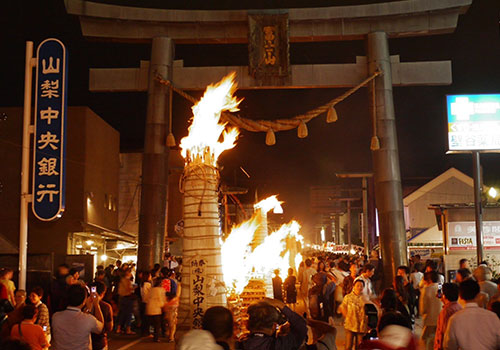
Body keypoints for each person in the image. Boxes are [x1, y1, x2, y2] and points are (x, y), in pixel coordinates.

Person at [443, 279, 500, 350]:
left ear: (460, 296)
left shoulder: (455, 319)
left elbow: (449, 346)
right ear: (478, 295)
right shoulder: (492, 316)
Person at [239, 297, 307, 350]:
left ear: (247, 324)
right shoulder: (281, 346)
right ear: (274, 326)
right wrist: (280, 305)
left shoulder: (236, 346)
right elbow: (301, 327)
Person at [52, 284, 104, 350]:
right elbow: (100, 328)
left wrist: (87, 309)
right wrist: (96, 305)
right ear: (84, 301)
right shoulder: (89, 320)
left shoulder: (56, 317)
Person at [340, 279, 369, 350]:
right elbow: (343, 307)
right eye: (358, 286)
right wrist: (347, 317)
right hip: (350, 325)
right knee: (348, 346)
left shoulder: (365, 298)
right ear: (353, 286)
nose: (359, 287)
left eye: (361, 286)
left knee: (359, 346)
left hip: (361, 326)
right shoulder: (348, 297)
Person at [434, 283, 461, 350]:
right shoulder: (459, 307)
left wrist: (438, 347)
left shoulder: (446, 311)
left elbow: (443, 333)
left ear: (444, 296)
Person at [420, 271, 442, 350]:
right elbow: (440, 300)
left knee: (425, 338)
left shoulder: (426, 289)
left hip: (429, 318)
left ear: (429, 279)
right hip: (440, 317)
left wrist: (422, 313)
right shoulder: (440, 287)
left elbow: (423, 306)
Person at [89, 282, 113, 350]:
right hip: (100, 342)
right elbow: (109, 327)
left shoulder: (84, 304)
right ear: (103, 293)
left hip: (86, 341)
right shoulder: (106, 307)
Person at [144, 277, 166, 342]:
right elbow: (162, 299)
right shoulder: (161, 290)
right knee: (157, 324)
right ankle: (156, 337)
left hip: (149, 308)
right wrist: (163, 305)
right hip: (156, 309)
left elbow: (146, 298)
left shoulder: (151, 290)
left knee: (151, 323)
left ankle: (149, 333)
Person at [116, 268, 136, 334]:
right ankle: (128, 329)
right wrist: (134, 287)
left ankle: (118, 328)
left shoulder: (121, 280)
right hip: (127, 298)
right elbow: (128, 289)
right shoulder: (127, 280)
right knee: (128, 314)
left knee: (122, 313)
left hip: (122, 298)